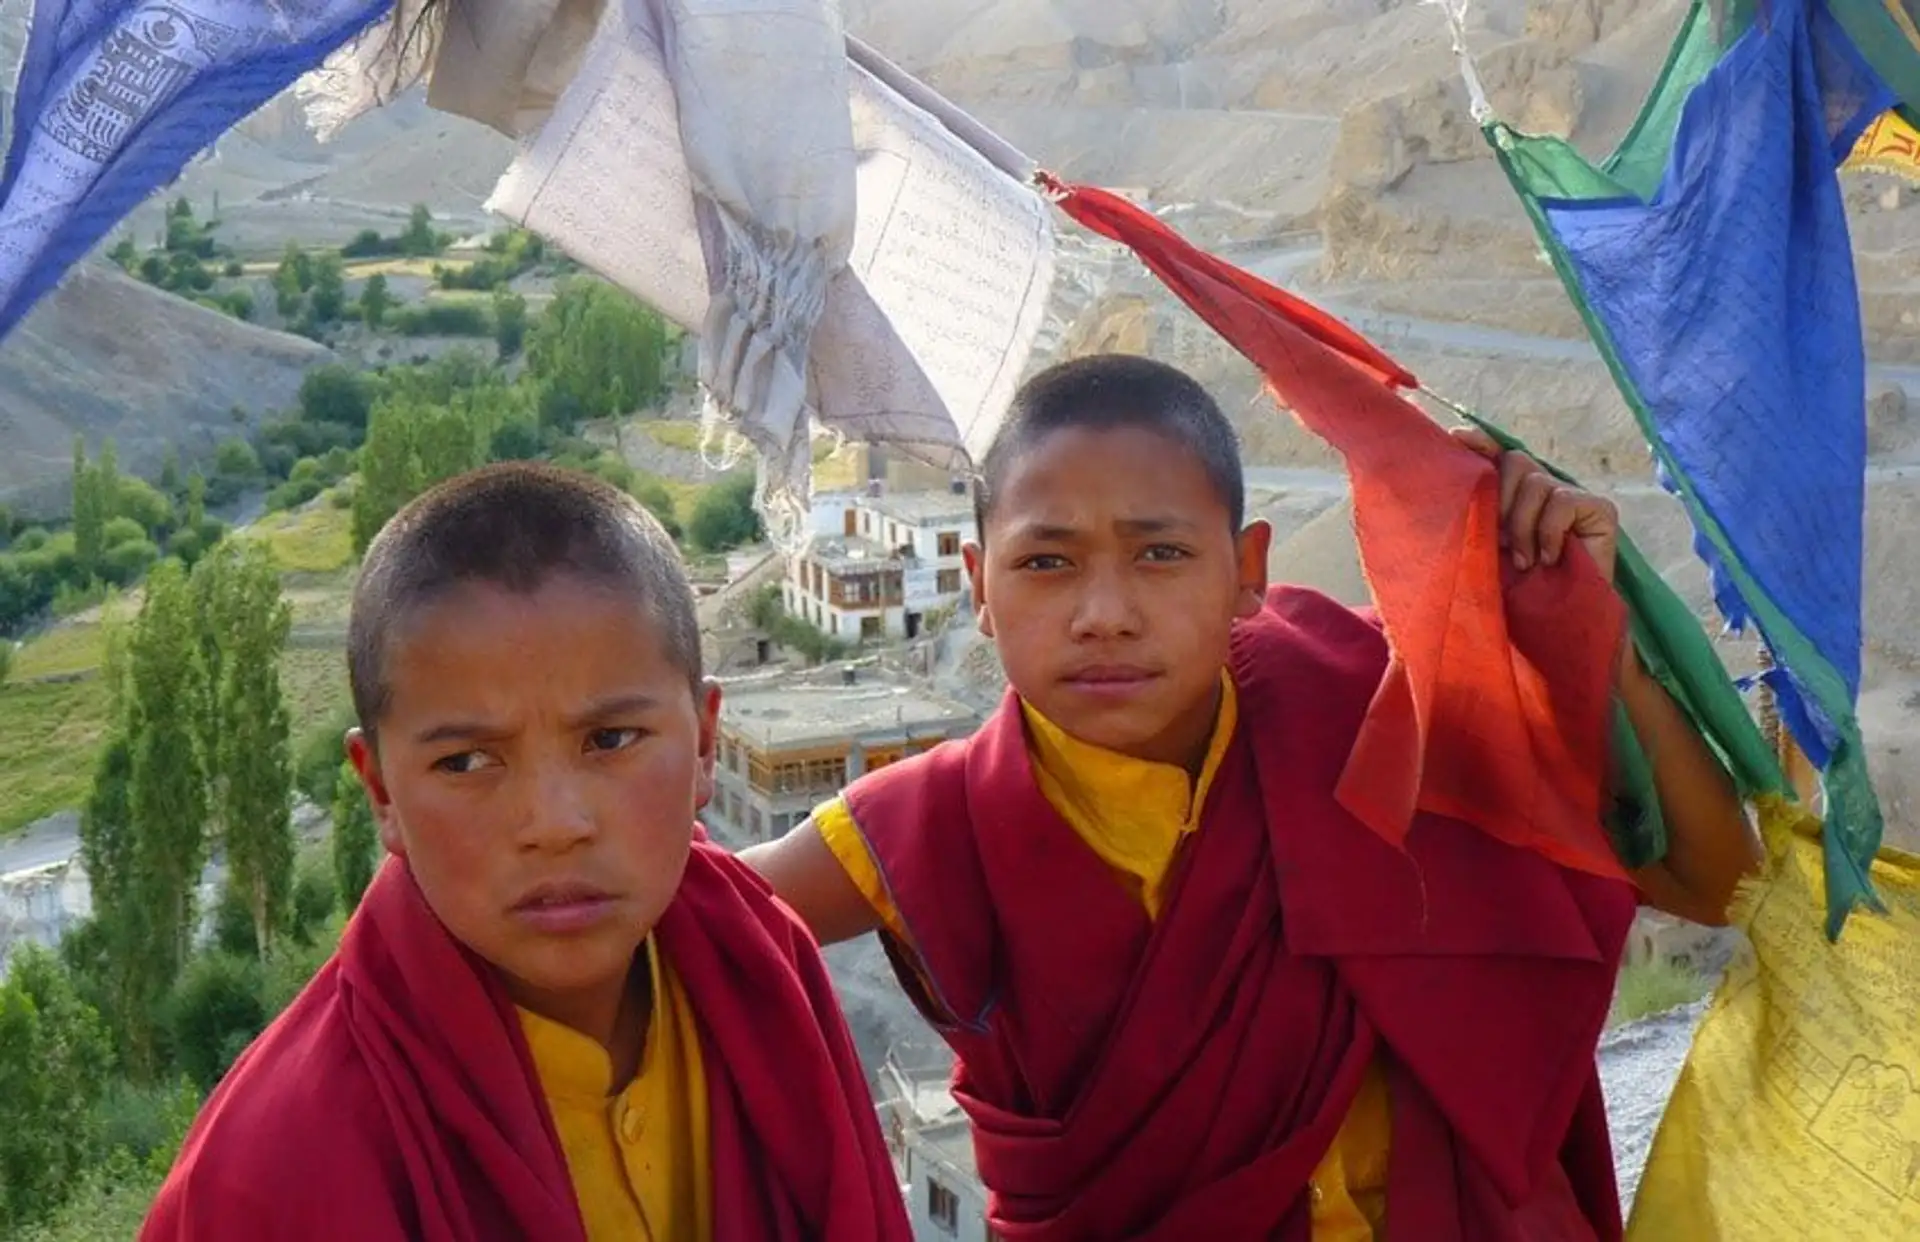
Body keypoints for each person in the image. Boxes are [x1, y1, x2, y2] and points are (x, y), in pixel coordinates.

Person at [742, 354, 1762, 1242]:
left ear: (1249, 570)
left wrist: (1594, 629)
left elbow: (1719, 885)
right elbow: (684, 922)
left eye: (1162, 554)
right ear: (977, 581)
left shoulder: (1376, 711)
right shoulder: (931, 827)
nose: (1105, 615)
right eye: (1046, 563)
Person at [142, 463, 912, 1242]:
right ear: (381, 793)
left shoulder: (763, 967)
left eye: (610, 740)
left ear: (707, 742)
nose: (554, 822)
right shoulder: (277, 1167)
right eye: (468, 762)